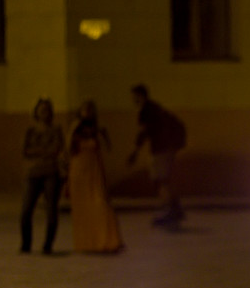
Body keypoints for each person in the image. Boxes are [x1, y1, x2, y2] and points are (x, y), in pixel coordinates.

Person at [66, 100, 124, 253]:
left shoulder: (97, 128)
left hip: (94, 170)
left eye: (90, 109)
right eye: (85, 109)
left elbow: (106, 148)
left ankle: (107, 241)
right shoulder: (76, 126)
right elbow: (69, 148)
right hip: (79, 169)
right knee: (84, 207)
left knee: (100, 203)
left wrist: (103, 135)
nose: (87, 112)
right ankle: (88, 243)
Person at [127, 84, 187, 226]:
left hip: (160, 149)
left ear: (140, 95)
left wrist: (134, 153)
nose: (132, 99)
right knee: (163, 180)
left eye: (134, 96)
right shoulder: (155, 107)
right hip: (168, 148)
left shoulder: (146, 110)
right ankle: (175, 208)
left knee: (159, 180)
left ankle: (170, 210)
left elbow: (144, 133)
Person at [19, 97, 64, 254]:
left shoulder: (56, 130)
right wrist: (45, 152)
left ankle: (48, 244)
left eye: (47, 109)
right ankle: (26, 243)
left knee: (51, 210)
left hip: (51, 173)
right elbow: (25, 151)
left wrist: (40, 152)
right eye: (42, 109)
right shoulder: (30, 131)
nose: (44, 112)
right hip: (33, 173)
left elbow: (57, 149)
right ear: (36, 112)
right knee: (26, 211)